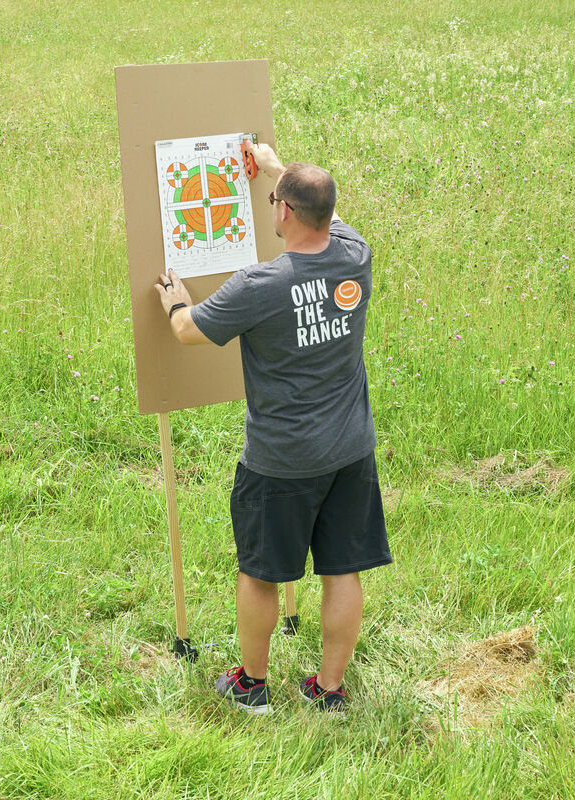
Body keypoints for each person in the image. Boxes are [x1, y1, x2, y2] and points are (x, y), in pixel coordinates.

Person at [154, 144, 391, 714]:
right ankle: (329, 690)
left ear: (282, 212)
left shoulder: (258, 285)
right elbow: (330, 216)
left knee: (261, 573)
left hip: (280, 459)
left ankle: (252, 685)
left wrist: (175, 302)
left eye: (273, 200)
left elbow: (188, 331)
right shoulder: (355, 255)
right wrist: (278, 167)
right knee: (342, 569)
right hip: (350, 450)